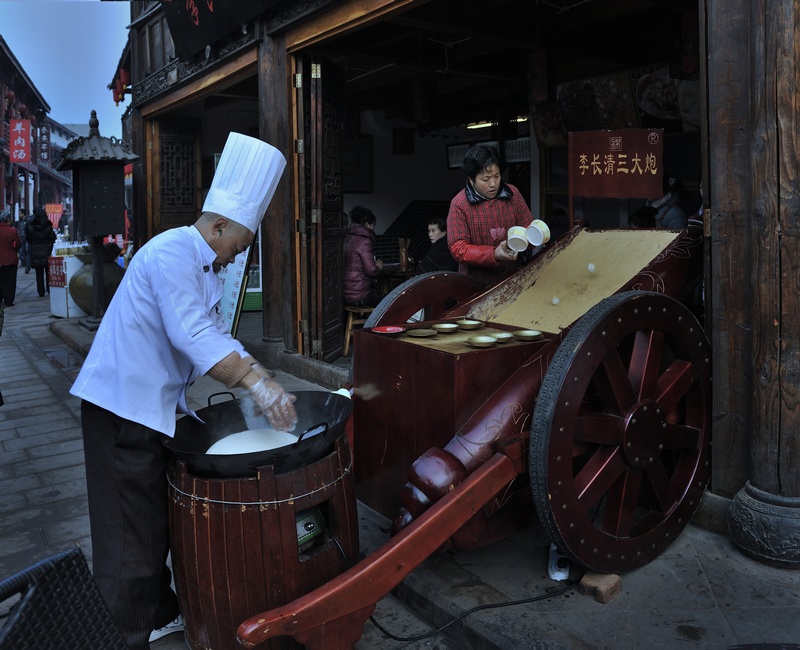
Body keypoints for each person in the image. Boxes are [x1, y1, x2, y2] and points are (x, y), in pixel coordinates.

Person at [70, 132, 297, 649]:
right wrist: (257, 384)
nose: (236, 259)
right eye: (237, 246)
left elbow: (216, 334)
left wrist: (257, 378)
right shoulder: (172, 251)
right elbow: (192, 336)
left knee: (153, 521)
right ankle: (122, 634)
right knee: (130, 534)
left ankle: (159, 613)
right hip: (120, 405)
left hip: (151, 407)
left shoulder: (204, 266)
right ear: (217, 226)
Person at [447, 144, 534, 286]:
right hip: (475, 283)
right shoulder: (459, 204)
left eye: (497, 176)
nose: (493, 184)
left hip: (513, 277)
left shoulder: (513, 194)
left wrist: (534, 237)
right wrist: (494, 254)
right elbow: (458, 248)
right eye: (485, 179)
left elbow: (527, 225)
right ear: (471, 179)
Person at [343, 205, 385, 307]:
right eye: (373, 225)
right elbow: (371, 271)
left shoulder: (347, 236)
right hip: (359, 294)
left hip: (344, 293)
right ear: (367, 224)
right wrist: (378, 266)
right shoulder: (364, 240)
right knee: (390, 301)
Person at [25, 207, 56, 297]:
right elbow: (52, 239)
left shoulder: (31, 227)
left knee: (39, 272)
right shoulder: (48, 227)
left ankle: (40, 291)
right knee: (48, 271)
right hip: (47, 250)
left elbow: (28, 239)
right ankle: (49, 289)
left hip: (35, 251)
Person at [0, 211, 21, 307]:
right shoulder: (12, 231)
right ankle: (8, 301)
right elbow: (18, 244)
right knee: (10, 282)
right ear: (8, 220)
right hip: (10, 259)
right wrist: (14, 247)